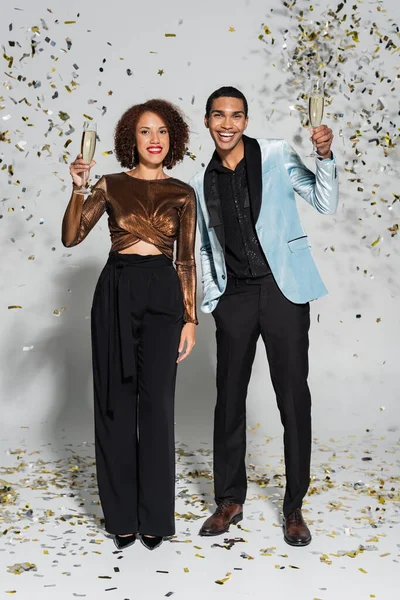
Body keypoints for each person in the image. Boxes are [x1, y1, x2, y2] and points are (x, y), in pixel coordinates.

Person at [190, 86, 338, 546]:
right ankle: (229, 501)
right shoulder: (201, 182)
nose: (227, 124)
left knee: (293, 396)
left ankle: (293, 507)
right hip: (234, 295)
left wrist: (325, 156)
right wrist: (210, 298)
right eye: (219, 115)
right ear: (209, 121)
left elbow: (323, 201)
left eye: (236, 116)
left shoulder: (274, 154)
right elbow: (203, 245)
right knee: (228, 397)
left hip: (282, 288)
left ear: (246, 121)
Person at [62, 99, 197, 551]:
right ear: (130, 140)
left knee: (156, 406)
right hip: (116, 289)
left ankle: (155, 516)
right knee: (114, 402)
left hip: (162, 293)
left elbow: (185, 259)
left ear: (172, 138)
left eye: (161, 131)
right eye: (145, 131)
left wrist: (190, 318)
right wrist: (80, 188)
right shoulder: (111, 184)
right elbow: (71, 236)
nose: (154, 139)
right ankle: (120, 515)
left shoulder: (182, 193)